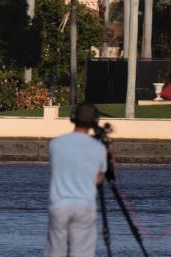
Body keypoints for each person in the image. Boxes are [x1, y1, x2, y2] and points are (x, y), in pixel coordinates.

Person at [48, 103, 108, 257]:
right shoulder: (99, 148)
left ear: (73, 118)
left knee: (56, 252)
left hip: (59, 206)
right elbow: (98, 179)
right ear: (94, 122)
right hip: (84, 206)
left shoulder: (55, 144)